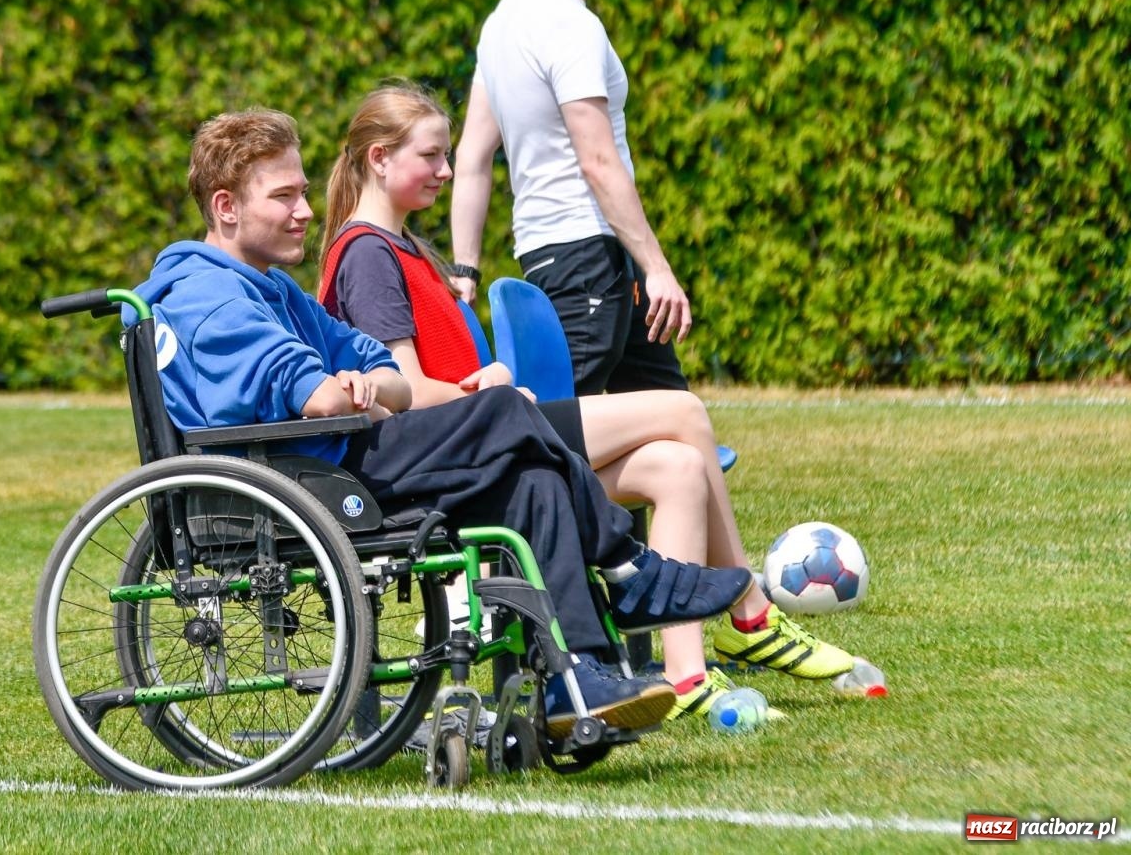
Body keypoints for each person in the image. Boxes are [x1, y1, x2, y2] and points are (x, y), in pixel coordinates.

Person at [132, 106, 753, 738]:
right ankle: (627, 568)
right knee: (506, 411)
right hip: (305, 481)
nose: (306, 211)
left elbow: (380, 370)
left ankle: (576, 677)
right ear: (226, 206)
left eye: (302, 192)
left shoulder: (270, 286)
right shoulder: (208, 297)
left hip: (330, 462)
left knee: (531, 478)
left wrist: (371, 388)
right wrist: (353, 393)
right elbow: (319, 398)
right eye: (284, 196)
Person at [320, 84, 857, 723]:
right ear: (379, 158)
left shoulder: (404, 246)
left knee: (678, 467)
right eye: (431, 156)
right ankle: (751, 618)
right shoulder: (368, 255)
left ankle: (686, 678)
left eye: (447, 156)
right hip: (465, 447)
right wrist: (491, 388)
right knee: (683, 413)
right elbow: (402, 389)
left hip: (482, 433)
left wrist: (485, 378)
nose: (446, 170)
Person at [449, 0, 690, 397]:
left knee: (674, 414)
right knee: (556, 434)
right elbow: (597, 161)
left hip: (557, 256)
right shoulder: (570, 23)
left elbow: (471, 158)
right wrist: (658, 268)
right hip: (589, 260)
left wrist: (465, 266)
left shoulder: (502, 21)